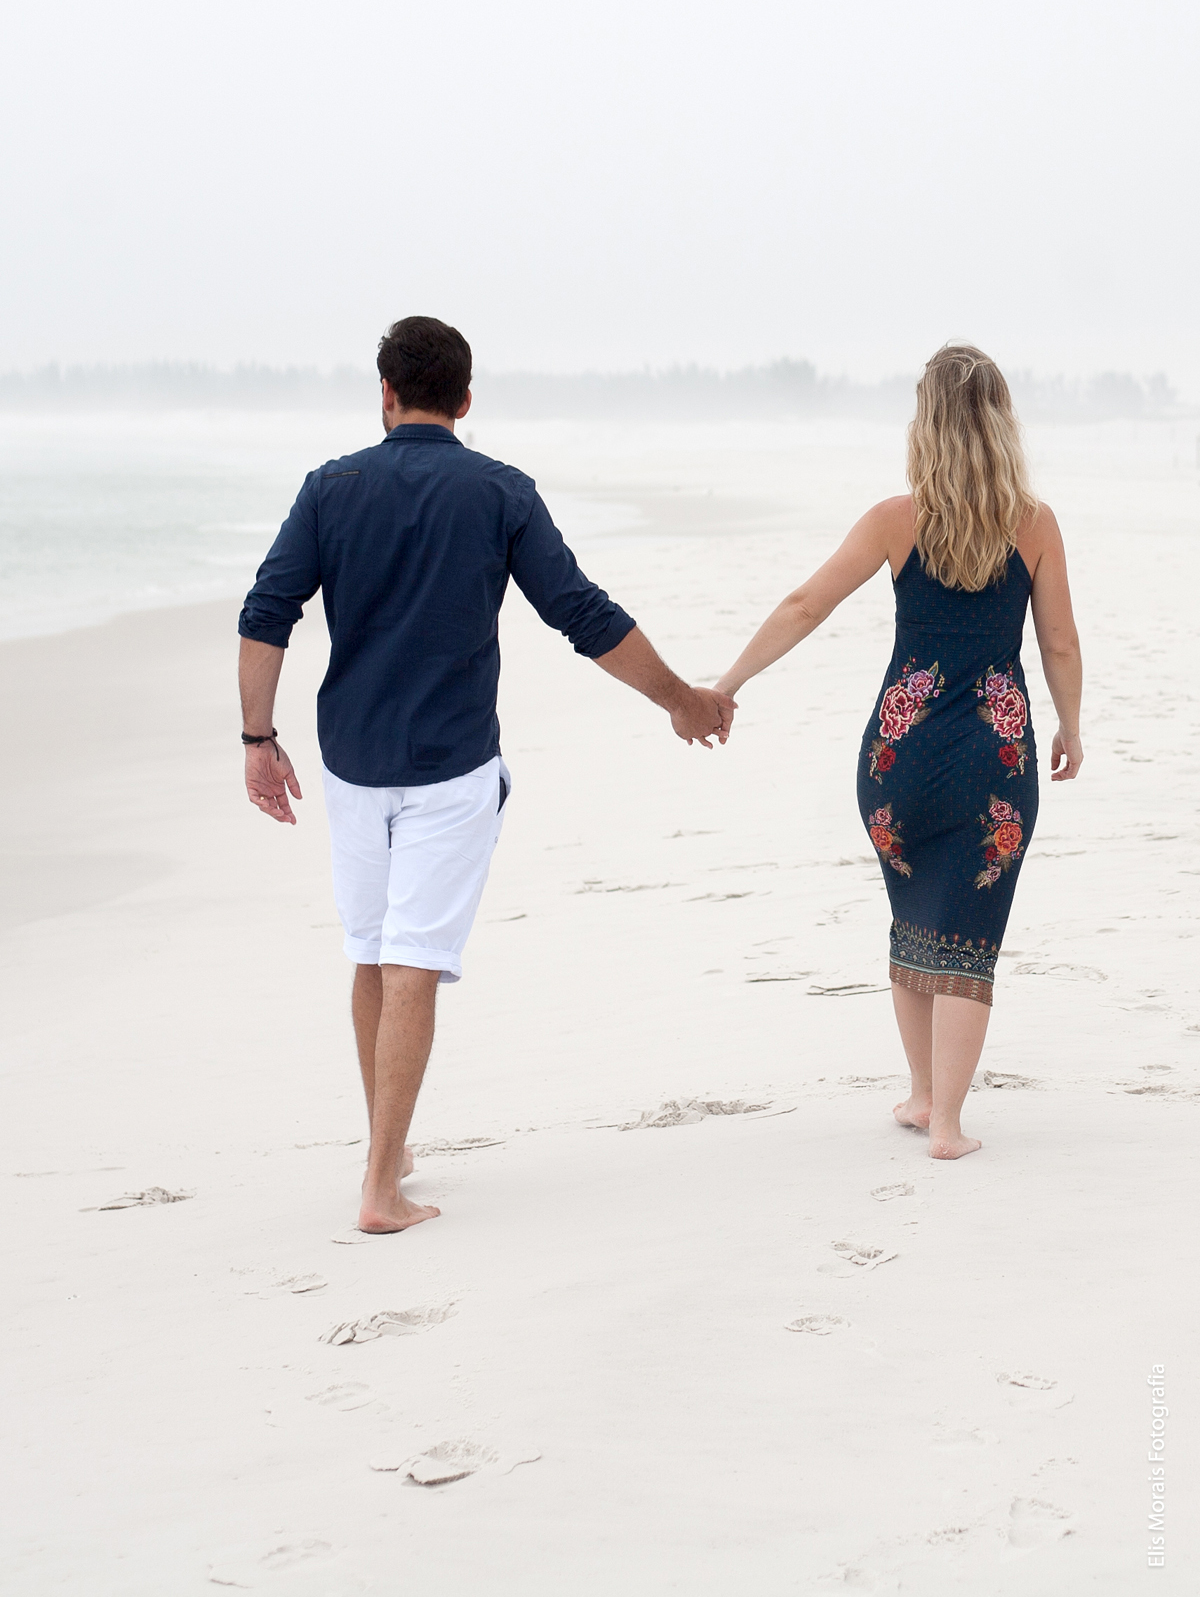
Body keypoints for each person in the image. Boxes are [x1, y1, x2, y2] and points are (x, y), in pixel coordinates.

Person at [238, 316, 735, 1233]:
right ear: (466, 401)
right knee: (413, 957)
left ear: (385, 394)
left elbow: (268, 612)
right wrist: (677, 698)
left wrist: (256, 740)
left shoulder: (330, 488)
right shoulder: (501, 492)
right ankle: (382, 1188)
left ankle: (386, 1145)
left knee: (373, 950)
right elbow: (582, 614)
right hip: (451, 766)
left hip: (350, 760)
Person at [714, 344, 1082, 1158]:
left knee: (913, 917)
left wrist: (729, 680)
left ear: (927, 422)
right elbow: (1057, 642)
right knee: (969, 930)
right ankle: (947, 1124)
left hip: (897, 759)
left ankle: (921, 1096)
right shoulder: (1034, 523)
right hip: (997, 757)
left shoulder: (896, 519)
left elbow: (806, 604)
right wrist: (1071, 724)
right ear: (999, 422)